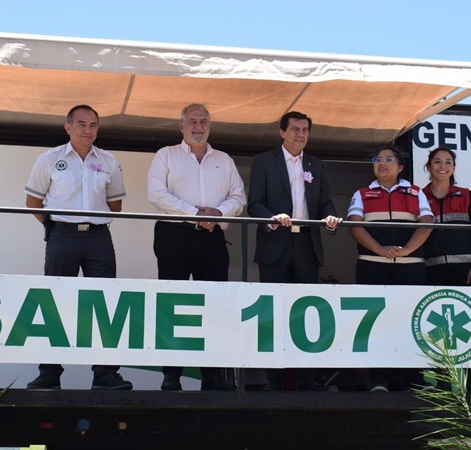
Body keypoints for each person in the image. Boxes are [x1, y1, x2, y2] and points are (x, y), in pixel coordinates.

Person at [23, 104, 132, 391]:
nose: (87, 130)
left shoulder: (108, 161)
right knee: (54, 303)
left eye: (93, 125)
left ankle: (105, 374)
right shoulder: (49, 159)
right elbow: (33, 202)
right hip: (62, 237)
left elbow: (116, 205)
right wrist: (55, 227)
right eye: (81, 124)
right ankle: (49, 374)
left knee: (104, 304)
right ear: (68, 127)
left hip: (98, 238)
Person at [147, 103, 247, 391]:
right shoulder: (166, 155)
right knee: (172, 304)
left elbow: (239, 197)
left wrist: (218, 213)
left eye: (203, 121)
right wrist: (195, 213)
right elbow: (156, 194)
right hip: (173, 234)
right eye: (192, 121)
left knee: (214, 305)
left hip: (212, 237)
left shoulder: (224, 160)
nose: (198, 126)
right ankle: (171, 376)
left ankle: (212, 376)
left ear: (209, 126)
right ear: (181, 126)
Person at [247, 111, 342, 391]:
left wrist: (331, 217)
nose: (301, 134)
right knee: (273, 311)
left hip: (307, 245)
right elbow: (254, 204)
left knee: (305, 312)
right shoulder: (264, 161)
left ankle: (306, 377)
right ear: (282, 132)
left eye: (305, 130)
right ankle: (274, 379)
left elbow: (325, 202)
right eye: (295, 129)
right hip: (275, 243)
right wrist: (272, 218)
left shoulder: (316, 165)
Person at [347, 145, 433, 392]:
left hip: (410, 267)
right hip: (372, 266)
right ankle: (379, 380)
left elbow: (427, 223)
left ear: (400, 167)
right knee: (376, 324)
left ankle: (414, 379)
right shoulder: (362, 193)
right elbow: (354, 226)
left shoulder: (415, 191)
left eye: (388, 159)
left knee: (412, 322)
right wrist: (379, 249)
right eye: (377, 159)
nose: (382, 163)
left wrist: (407, 250)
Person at [422, 147, 471, 391]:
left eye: (448, 162)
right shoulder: (419, 196)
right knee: (436, 331)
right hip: (431, 272)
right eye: (437, 161)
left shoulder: (467, 195)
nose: (443, 166)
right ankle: (443, 382)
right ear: (428, 166)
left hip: (464, 272)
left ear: (454, 167)